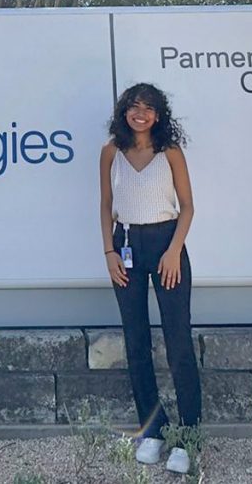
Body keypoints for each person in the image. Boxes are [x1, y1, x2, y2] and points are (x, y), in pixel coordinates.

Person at [98, 82, 201, 472]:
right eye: (134, 107)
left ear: (159, 115)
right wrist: (109, 252)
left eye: (148, 108)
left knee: (178, 344)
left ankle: (188, 436)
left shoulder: (169, 152)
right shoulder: (111, 152)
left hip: (166, 244)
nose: (140, 114)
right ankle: (154, 430)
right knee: (136, 341)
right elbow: (106, 205)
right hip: (125, 247)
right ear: (124, 111)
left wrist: (173, 251)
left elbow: (188, 207)